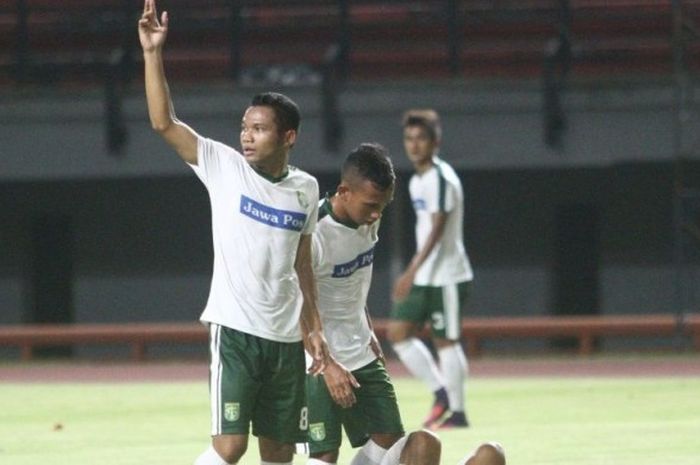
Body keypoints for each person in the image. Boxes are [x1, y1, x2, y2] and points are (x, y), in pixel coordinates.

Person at [138, 1, 330, 464]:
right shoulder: (223, 166)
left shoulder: (305, 189)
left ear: (288, 137)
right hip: (236, 331)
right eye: (244, 126)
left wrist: (314, 327)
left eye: (259, 129)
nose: (246, 135)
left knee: (280, 450)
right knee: (230, 445)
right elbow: (164, 123)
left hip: (285, 338)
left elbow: (302, 263)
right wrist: (152, 54)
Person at [304, 142, 404, 465]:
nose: (377, 214)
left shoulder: (368, 219)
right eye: (372, 205)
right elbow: (294, 302)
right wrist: (327, 364)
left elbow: (353, 279)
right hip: (316, 355)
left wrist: (368, 327)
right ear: (344, 191)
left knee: (391, 438)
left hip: (359, 346)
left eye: (384, 206)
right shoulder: (313, 233)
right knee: (323, 452)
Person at [388, 109, 474, 430]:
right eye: (409, 139)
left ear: (435, 142)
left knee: (446, 342)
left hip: (448, 275)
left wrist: (411, 269)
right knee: (398, 334)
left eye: (421, 138)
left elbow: (438, 228)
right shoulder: (418, 180)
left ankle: (459, 413)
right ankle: (441, 393)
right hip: (427, 276)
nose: (414, 145)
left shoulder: (440, 178)